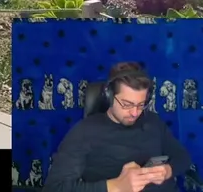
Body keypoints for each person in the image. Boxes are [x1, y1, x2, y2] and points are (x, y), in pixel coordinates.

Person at [44, 61, 191, 192]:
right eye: (127, 104)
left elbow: (182, 157)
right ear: (109, 96)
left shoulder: (153, 121)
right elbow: (55, 188)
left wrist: (168, 170)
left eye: (141, 105)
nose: (135, 113)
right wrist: (115, 186)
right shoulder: (84, 131)